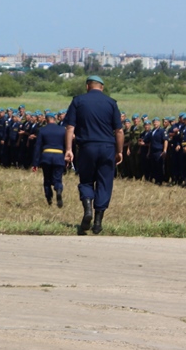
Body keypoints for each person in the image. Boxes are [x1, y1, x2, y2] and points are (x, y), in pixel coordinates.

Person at [63, 75, 123, 235]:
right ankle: (97, 222)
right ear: (101, 87)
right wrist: (119, 151)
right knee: (104, 183)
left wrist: (69, 149)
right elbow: (119, 130)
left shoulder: (78, 101)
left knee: (86, 181)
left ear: (87, 86)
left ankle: (88, 209)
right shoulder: (111, 103)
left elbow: (70, 127)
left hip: (86, 146)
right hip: (107, 148)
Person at [32, 111, 66, 207]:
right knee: (58, 178)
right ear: (54, 119)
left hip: (46, 156)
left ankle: (49, 199)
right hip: (59, 156)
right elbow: (66, 145)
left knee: (47, 179)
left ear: (46, 120)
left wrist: (35, 163)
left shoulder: (42, 130)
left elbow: (38, 147)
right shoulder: (62, 130)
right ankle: (58, 190)